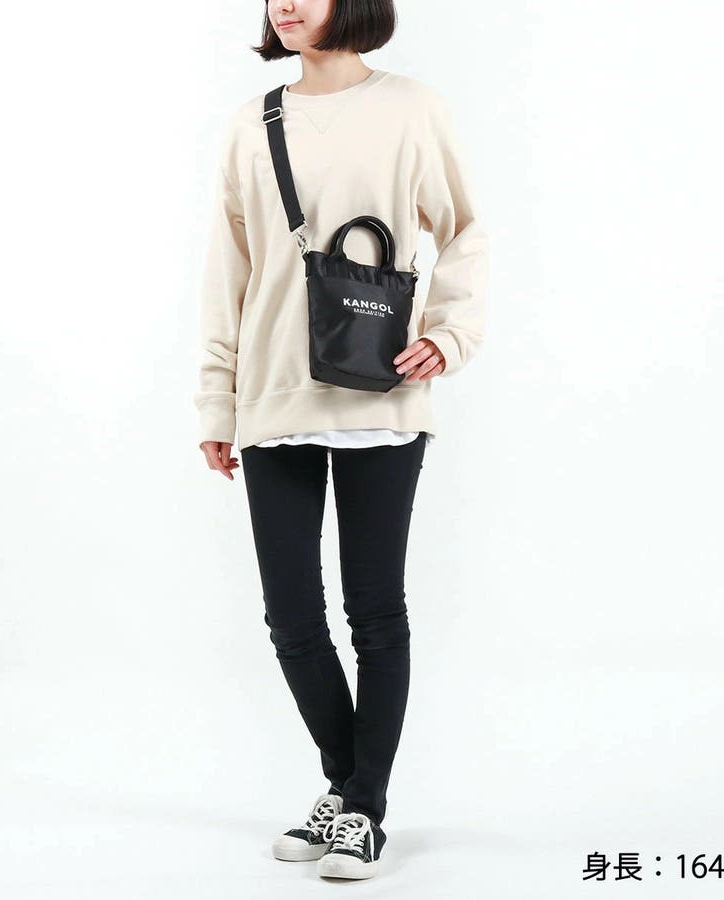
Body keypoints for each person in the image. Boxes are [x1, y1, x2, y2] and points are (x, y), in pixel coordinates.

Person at [194, 0, 488, 881]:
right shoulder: (250, 125)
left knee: (375, 611)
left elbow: (465, 231)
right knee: (291, 618)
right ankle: (348, 787)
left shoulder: (412, 108)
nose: (285, 5)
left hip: (383, 390)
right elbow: (226, 273)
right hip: (274, 393)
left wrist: (451, 333)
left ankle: (361, 809)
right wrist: (217, 404)